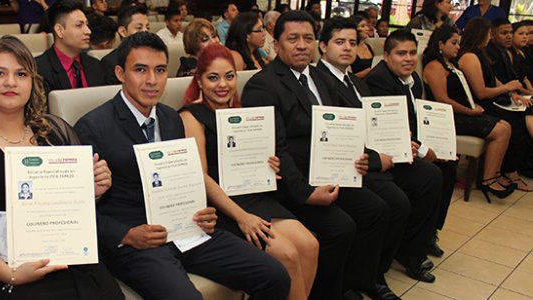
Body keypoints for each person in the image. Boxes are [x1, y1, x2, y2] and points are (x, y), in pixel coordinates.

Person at [75, 32, 291, 300]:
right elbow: (78, 208)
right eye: (140, 70)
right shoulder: (92, 127)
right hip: (138, 241)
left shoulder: (170, 118)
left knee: (275, 275)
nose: (152, 80)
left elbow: (184, 180)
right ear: (120, 73)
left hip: (188, 230)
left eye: (160, 70)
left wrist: (203, 211)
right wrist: (126, 235)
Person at [0, 36, 124, 300]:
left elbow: (75, 208)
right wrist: (10, 274)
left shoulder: (56, 130)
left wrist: (92, 191)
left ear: (32, 82)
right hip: (0, 269)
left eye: (21, 74)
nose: (11, 82)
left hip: (67, 259)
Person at [241, 11, 389, 300]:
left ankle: (351, 282)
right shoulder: (264, 84)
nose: (301, 45)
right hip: (292, 182)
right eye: (292, 38)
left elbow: (340, 128)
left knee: (377, 210)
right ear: (277, 42)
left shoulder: (322, 78)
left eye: (308, 38)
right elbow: (275, 149)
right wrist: (307, 194)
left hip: (331, 171)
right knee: (340, 228)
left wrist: (355, 158)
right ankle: (324, 293)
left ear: (316, 43)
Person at [181, 44, 319, 300]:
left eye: (229, 76)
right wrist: (242, 217)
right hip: (223, 205)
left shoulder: (241, 114)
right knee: (287, 255)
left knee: (309, 245)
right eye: (213, 77)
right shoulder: (192, 116)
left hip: (253, 196)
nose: (222, 84)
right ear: (199, 80)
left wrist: (269, 166)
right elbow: (200, 177)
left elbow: (253, 161)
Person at [318, 18, 443, 297]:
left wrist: (402, 146)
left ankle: (401, 255)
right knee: (393, 202)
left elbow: (375, 127)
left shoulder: (356, 83)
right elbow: (337, 137)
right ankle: (368, 276)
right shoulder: (318, 82)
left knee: (430, 175)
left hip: (374, 155)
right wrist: (380, 159)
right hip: (352, 162)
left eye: (353, 42)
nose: (348, 48)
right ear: (323, 46)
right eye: (340, 42)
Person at [365, 30, 460, 270]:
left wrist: (437, 144)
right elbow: (391, 130)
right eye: (400, 53)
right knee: (430, 174)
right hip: (390, 151)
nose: (408, 59)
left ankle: (428, 233)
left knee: (449, 164)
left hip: (409, 141)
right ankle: (410, 251)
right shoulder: (380, 81)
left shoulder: (413, 79)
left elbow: (415, 119)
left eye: (412, 53)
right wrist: (424, 149)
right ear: (386, 56)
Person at [422, 25, 513, 202]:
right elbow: (442, 100)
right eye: (454, 43)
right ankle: (488, 180)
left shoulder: (451, 64)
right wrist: (469, 111)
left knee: (506, 125)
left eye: (459, 43)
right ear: (440, 44)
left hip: (461, 112)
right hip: (446, 116)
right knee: (500, 131)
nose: (458, 47)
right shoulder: (435, 67)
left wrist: (473, 107)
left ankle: (493, 174)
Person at [457, 18, 533, 194]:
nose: (490, 37)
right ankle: (505, 172)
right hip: (482, 103)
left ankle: (501, 172)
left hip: (493, 99)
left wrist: (512, 94)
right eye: (489, 33)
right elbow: (481, 92)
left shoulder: (481, 53)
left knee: (521, 114)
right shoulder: (469, 57)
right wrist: (507, 88)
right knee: (515, 122)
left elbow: (494, 80)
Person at [35, 0, 104, 96]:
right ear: (59, 30)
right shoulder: (38, 70)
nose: (88, 31)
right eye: (79, 25)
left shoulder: (95, 65)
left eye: (87, 25)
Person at [99, 5, 148, 85]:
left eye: (147, 27)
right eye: (139, 28)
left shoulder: (152, 56)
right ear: (123, 31)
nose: (145, 31)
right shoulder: (110, 62)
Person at [350, 14, 375, 78]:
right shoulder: (349, 48)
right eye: (363, 26)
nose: (367, 28)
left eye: (367, 26)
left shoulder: (369, 46)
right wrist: (367, 72)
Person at [510, 22, 532, 94]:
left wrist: (531, 92)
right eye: (521, 34)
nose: (525, 37)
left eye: (527, 34)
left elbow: (525, 78)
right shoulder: (509, 53)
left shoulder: (524, 52)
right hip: (513, 92)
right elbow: (512, 81)